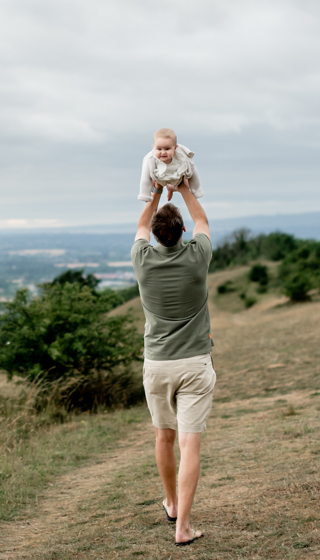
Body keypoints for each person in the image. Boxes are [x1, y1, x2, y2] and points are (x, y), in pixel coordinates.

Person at [131, 176, 215, 547]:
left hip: (158, 365)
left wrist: (153, 196)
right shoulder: (197, 258)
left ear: (155, 235)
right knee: (190, 447)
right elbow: (204, 224)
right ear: (181, 232)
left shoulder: (142, 262)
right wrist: (183, 189)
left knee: (163, 437)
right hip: (195, 364)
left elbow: (139, 227)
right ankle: (184, 527)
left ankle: (171, 504)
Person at [137, 128, 204, 203]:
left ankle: (172, 188)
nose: (163, 152)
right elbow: (145, 178)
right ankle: (154, 203)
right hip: (158, 176)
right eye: (159, 149)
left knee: (186, 185)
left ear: (175, 148)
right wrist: (145, 194)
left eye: (167, 149)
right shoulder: (150, 159)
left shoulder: (181, 157)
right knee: (152, 183)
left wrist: (196, 190)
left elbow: (192, 172)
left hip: (177, 175)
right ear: (153, 147)